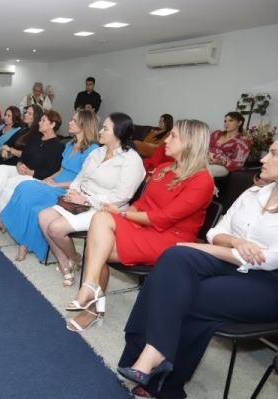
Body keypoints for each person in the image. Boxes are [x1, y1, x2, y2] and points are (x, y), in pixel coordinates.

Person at [117, 140, 278, 399]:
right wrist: (235, 242)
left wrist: (208, 249)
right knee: (174, 256)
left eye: (273, 154)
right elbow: (216, 232)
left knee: (189, 295)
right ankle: (155, 354)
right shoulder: (252, 194)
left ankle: (161, 377)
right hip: (230, 260)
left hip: (268, 282)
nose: (263, 159)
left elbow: (269, 259)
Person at [65, 119, 215, 333]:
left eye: (173, 136)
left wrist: (122, 214)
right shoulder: (163, 168)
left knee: (98, 247)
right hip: (144, 227)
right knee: (100, 220)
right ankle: (90, 288)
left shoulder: (202, 180)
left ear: (190, 143)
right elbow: (142, 204)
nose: (166, 140)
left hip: (171, 240)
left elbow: (165, 218)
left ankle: (92, 304)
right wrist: (123, 214)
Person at [37, 113, 145, 287]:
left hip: (105, 210)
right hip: (80, 200)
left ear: (118, 133)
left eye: (105, 128)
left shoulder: (131, 160)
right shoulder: (98, 152)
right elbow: (80, 177)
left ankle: (74, 258)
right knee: (43, 217)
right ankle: (67, 262)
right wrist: (73, 192)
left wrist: (86, 200)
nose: (100, 131)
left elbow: (121, 196)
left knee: (55, 228)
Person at [0, 110, 99, 262]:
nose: (69, 122)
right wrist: (48, 179)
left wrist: (56, 184)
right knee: (25, 189)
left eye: (73, 120)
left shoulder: (93, 150)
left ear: (84, 124)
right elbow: (61, 169)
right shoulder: (70, 144)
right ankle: (24, 242)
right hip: (55, 184)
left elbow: (84, 181)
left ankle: (2, 222)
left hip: (69, 191)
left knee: (26, 189)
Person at [0, 110, 65, 226]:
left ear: (52, 125)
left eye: (43, 120)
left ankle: (1, 219)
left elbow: (50, 171)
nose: (39, 123)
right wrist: (19, 164)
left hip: (36, 177)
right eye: (40, 120)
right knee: (2, 168)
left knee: (6, 185)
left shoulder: (58, 146)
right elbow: (23, 155)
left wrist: (30, 172)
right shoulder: (35, 138)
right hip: (22, 169)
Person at [208, 111, 251, 177]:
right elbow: (205, 147)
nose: (226, 123)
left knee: (198, 171)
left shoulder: (243, 141)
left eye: (230, 121)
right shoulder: (217, 134)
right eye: (225, 121)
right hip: (206, 160)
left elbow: (238, 163)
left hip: (222, 166)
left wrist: (219, 161)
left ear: (239, 123)